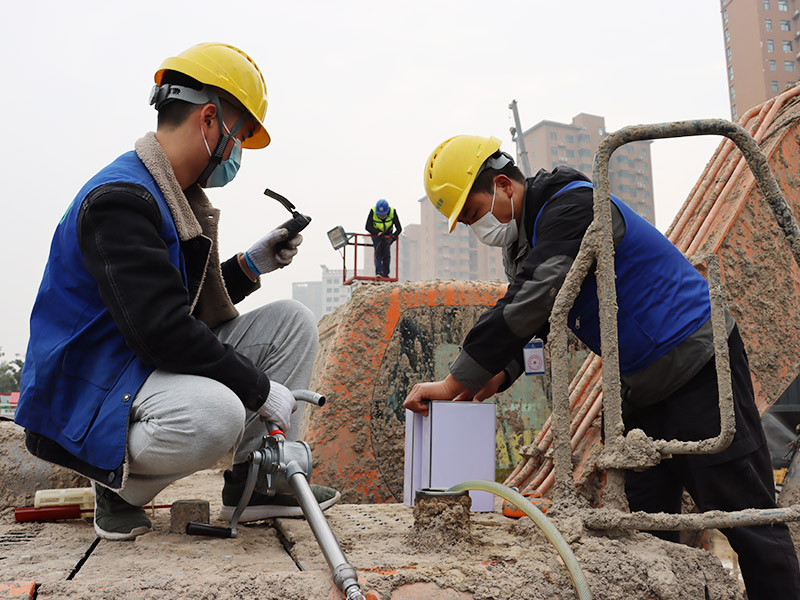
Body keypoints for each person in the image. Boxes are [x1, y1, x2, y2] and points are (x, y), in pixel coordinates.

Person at [404, 134, 800, 600]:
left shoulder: (572, 207)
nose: (479, 228)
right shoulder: (530, 239)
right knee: (644, 525)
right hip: (641, 383)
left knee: (745, 515)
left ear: (505, 185)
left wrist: (456, 379)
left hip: (697, 363)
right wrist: (502, 371)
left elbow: (537, 296)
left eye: (474, 213)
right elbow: (540, 313)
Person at [15, 42, 339, 541]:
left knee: (291, 322)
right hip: (93, 386)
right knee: (217, 413)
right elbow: (162, 330)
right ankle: (117, 485)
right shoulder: (122, 200)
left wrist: (250, 266)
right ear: (209, 120)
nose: (236, 154)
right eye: (239, 137)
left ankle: (259, 484)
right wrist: (258, 389)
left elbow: (179, 305)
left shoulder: (171, 195)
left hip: (136, 363)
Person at [365, 199, 402, 278]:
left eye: (383, 214)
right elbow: (368, 226)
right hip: (376, 234)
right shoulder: (373, 211)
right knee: (378, 251)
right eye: (380, 214)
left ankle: (386, 274)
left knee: (386, 253)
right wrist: (378, 233)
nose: (381, 216)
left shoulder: (392, 212)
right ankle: (378, 272)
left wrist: (393, 237)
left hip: (388, 234)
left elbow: (399, 228)